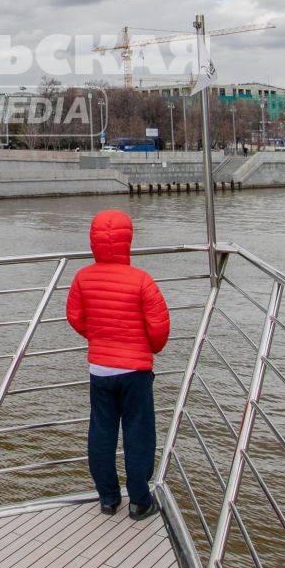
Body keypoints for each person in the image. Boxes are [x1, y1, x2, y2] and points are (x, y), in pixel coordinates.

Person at [65, 210, 170, 520]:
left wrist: (98, 337)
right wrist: (147, 348)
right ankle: (139, 501)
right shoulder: (141, 280)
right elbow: (159, 328)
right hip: (135, 370)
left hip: (100, 368)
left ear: (93, 241)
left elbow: (76, 318)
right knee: (138, 434)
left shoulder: (83, 277)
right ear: (128, 240)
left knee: (102, 431)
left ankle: (108, 499)